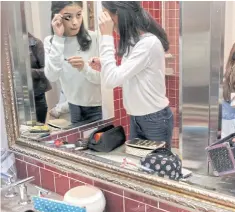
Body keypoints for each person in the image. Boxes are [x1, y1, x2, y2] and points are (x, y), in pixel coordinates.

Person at [89, 1, 174, 148]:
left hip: (154, 118)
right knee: (139, 168)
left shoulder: (148, 43)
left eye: (107, 15)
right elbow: (125, 79)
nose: (106, 20)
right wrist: (105, 67)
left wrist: (106, 36)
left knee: (157, 168)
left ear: (121, 14)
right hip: (137, 117)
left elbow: (111, 81)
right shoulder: (133, 42)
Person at [44, 1, 102, 124]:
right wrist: (58, 39)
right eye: (68, 17)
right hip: (73, 106)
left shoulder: (94, 38)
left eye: (79, 15)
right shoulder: (51, 41)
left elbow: (103, 79)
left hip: (98, 107)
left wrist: (84, 68)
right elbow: (52, 76)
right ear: (56, 17)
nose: (75, 22)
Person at [29, 32, 52, 124]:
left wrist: (28, 72)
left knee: (39, 131)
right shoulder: (6, 47)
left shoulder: (35, 43)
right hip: (15, 98)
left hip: (37, 96)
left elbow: (47, 71)